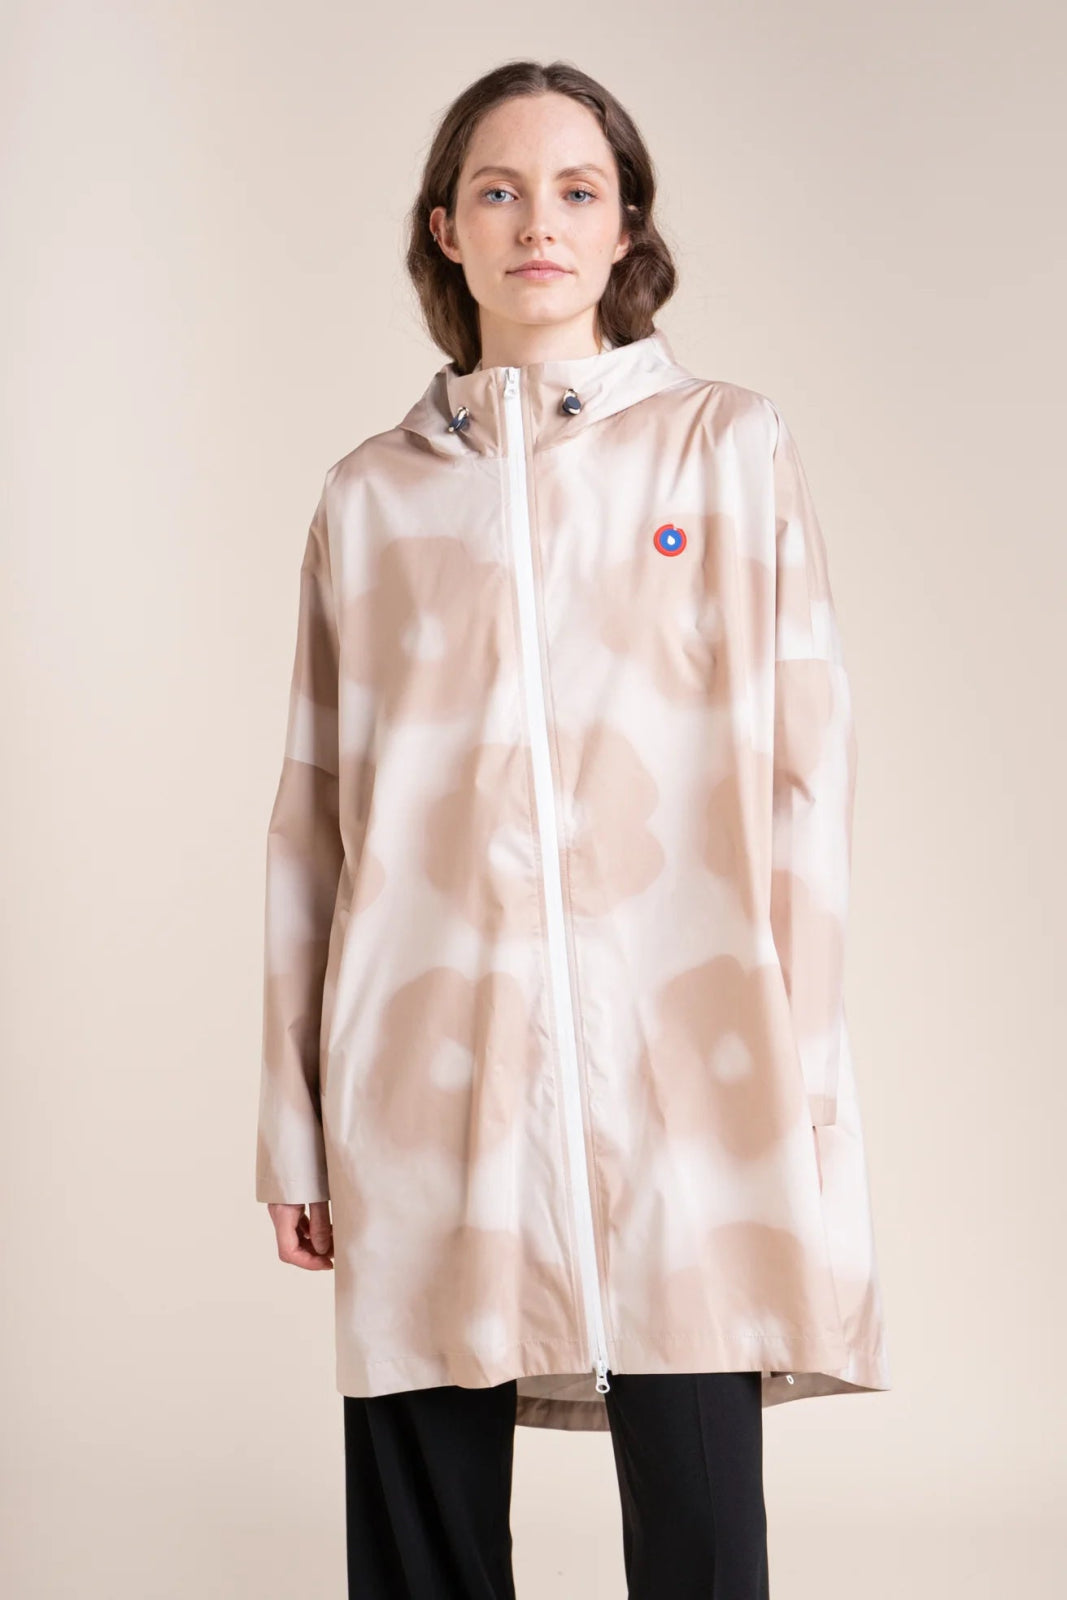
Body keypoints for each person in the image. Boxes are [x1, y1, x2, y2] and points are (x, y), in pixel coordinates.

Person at [254, 58, 891, 1600]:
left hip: (684, 1078)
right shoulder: (370, 501)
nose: (537, 222)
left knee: (702, 1529)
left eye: (575, 190)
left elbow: (805, 782)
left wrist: (804, 1091)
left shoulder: (725, 450)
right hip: (425, 1078)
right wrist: (294, 1121)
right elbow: (315, 822)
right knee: (422, 1543)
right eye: (499, 190)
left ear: (623, 231)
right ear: (447, 231)